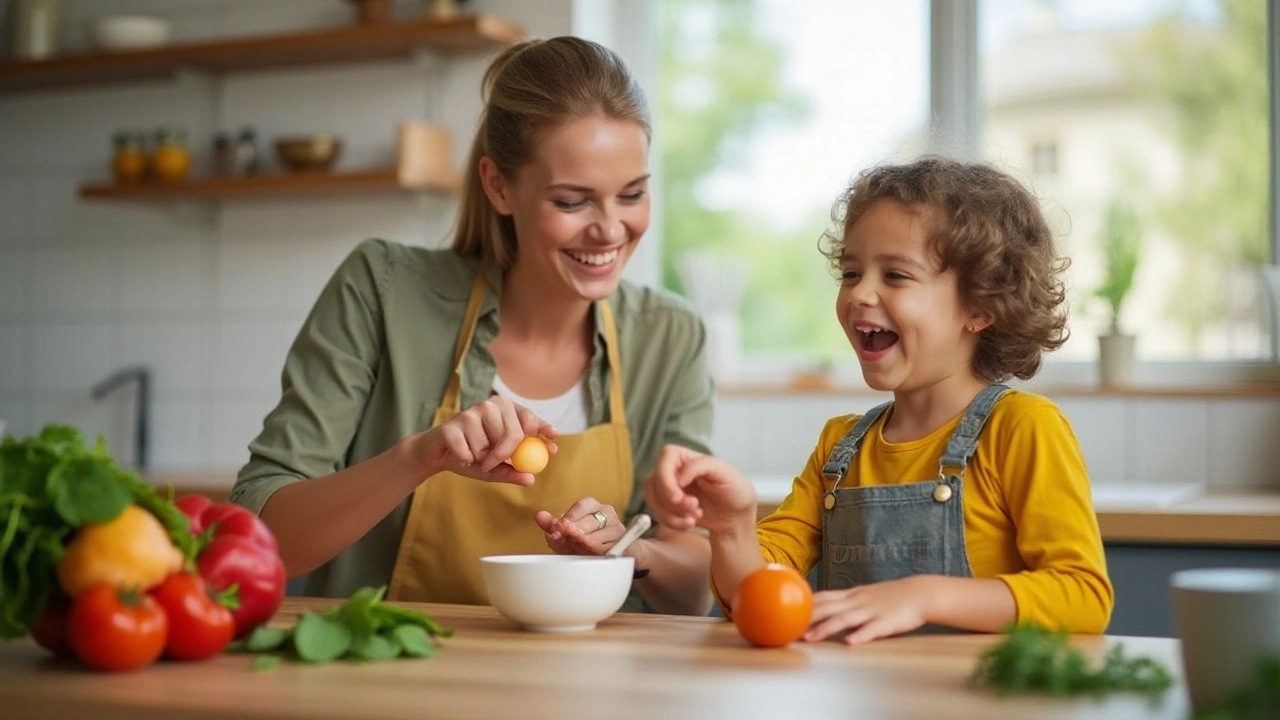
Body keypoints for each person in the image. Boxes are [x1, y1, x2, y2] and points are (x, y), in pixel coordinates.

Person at [230, 36, 715, 616]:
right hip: (386, 680)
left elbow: (693, 592)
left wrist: (630, 552)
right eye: (571, 202)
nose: (610, 230)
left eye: (632, 194)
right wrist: (418, 459)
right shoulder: (383, 289)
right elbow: (264, 537)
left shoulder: (669, 335)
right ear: (499, 186)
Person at [643, 157, 1114, 642]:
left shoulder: (1022, 427)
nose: (860, 293)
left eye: (895, 276)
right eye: (850, 273)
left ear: (980, 307)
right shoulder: (840, 448)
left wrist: (923, 595)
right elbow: (752, 600)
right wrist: (732, 528)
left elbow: (1082, 597)